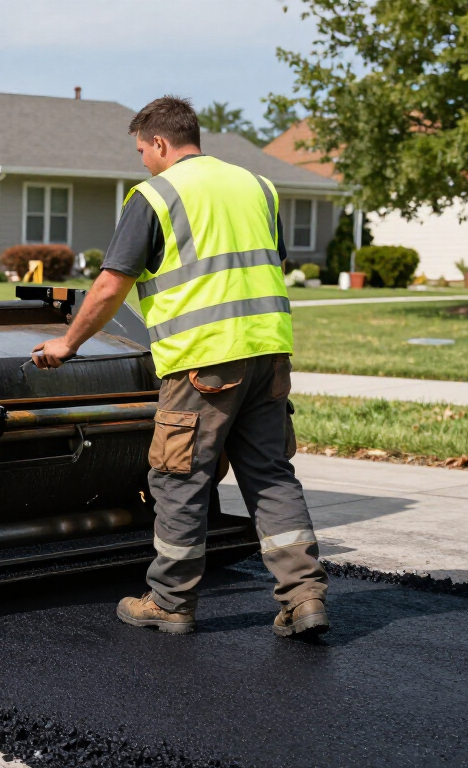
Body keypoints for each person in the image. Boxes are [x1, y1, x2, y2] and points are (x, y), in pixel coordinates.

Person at [30, 96, 330, 638]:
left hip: (202, 364)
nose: (142, 160)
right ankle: (304, 597)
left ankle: (170, 602)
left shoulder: (156, 195)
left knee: (178, 479)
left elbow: (110, 284)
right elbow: (267, 263)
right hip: (268, 355)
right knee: (269, 475)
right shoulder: (257, 186)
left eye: (142, 150)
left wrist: (68, 344)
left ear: (161, 143)